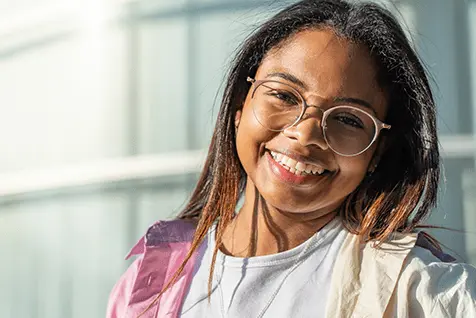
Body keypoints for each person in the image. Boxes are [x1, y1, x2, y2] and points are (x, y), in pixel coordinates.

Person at [107, 0, 476, 317]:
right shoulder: (150, 283)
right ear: (240, 105)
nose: (306, 134)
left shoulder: (423, 291)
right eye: (283, 95)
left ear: (377, 150)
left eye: (348, 119)